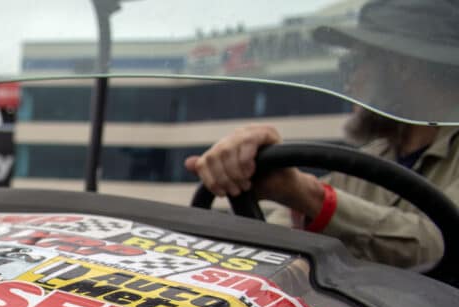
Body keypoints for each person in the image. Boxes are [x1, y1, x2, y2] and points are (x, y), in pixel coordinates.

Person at [185, 0, 459, 273]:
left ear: (402, 68)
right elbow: (280, 229)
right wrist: (253, 171)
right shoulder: (369, 164)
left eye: (352, 63)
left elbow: (442, 246)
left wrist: (308, 195)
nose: (348, 82)